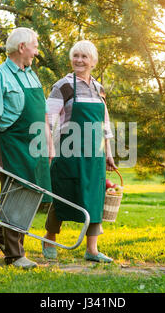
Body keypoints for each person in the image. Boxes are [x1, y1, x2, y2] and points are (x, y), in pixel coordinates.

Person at [0, 27, 54, 269]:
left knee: (32, 193)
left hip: (36, 143)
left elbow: (42, 115)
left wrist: (50, 144)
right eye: (34, 46)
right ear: (22, 47)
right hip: (13, 142)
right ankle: (14, 254)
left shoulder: (32, 75)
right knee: (17, 193)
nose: (36, 51)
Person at [42, 40, 117, 263]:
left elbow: (105, 123)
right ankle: (49, 238)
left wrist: (109, 153)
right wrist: (50, 147)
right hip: (68, 150)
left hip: (95, 154)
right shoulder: (62, 86)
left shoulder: (99, 88)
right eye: (76, 56)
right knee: (63, 193)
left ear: (93, 61)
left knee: (95, 197)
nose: (79, 60)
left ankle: (92, 250)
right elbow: (47, 119)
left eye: (84, 57)